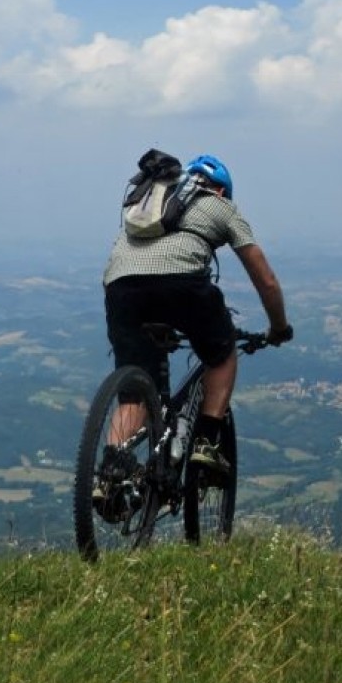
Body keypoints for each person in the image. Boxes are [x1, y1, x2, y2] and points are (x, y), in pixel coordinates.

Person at [101, 153, 293, 480]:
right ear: (221, 190)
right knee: (222, 353)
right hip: (183, 286)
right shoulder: (220, 205)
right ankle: (206, 442)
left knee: (134, 395)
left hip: (120, 290)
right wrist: (278, 327)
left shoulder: (149, 202)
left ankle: (110, 473)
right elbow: (266, 280)